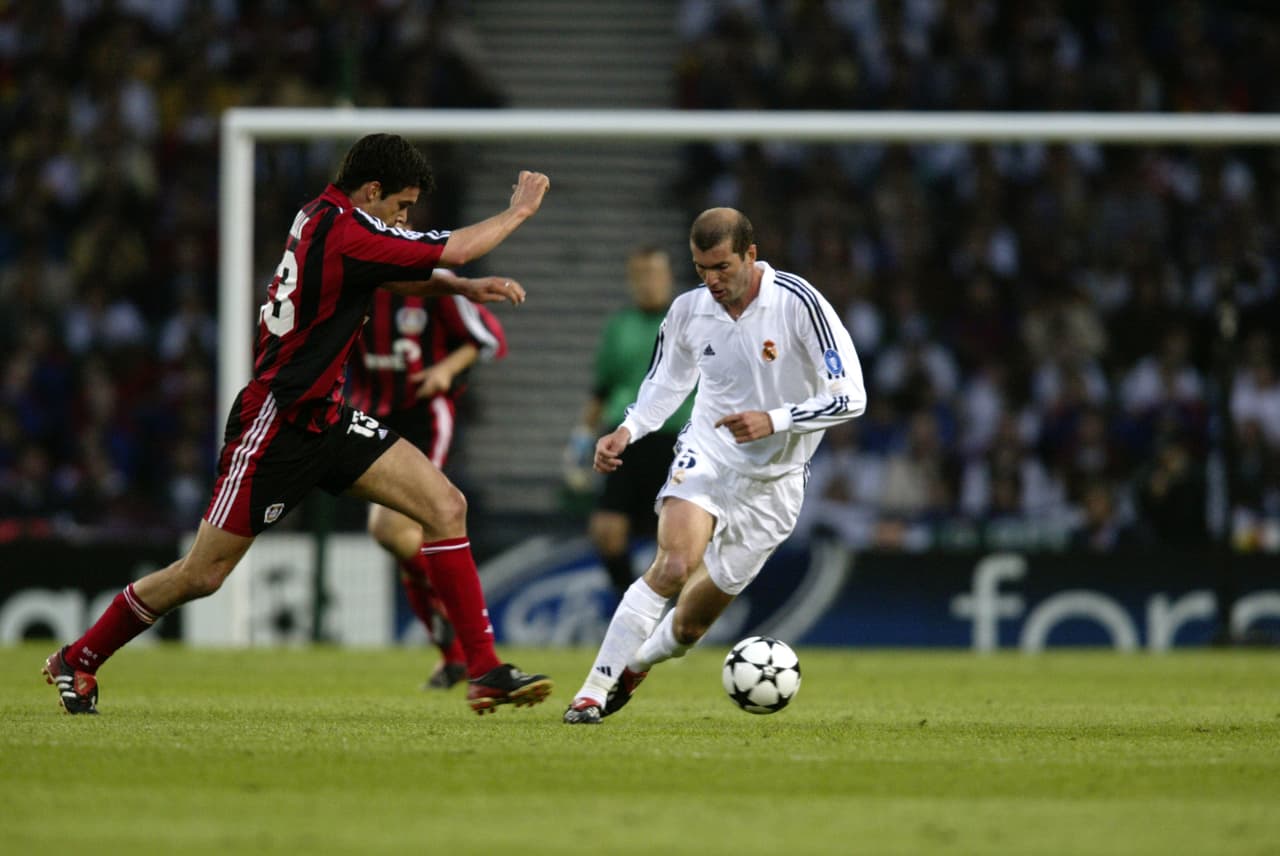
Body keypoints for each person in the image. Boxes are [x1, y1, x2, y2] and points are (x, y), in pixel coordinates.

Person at [43, 133, 553, 716]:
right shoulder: (348, 229)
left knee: (445, 505)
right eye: (401, 207)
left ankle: (484, 669)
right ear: (373, 190)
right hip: (275, 426)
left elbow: (389, 271)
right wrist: (518, 212)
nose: (404, 219)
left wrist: (456, 288)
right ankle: (78, 658)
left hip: (328, 419)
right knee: (201, 575)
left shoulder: (323, 215)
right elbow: (455, 247)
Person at [563, 207, 867, 725]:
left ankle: (636, 665)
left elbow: (852, 398)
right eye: (701, 268)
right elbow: (666, 383)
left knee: (688, 628)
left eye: (722, 267)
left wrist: (774, 420)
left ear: (751, 255)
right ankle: (592, 691)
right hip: (709, 451)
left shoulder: (800, 304)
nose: (712, 280)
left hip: (776, 482)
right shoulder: (688, 310)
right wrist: (628, 430)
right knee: (674, 564)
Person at [348, 264, 509, 691]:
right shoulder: (352, 280)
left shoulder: (433, 282)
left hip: (424, 416)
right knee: (402, 541)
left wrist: (444, 371)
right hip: (370, 417)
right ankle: (455, 653)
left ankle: (464, 636)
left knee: (391, 528)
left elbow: (488, 338)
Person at [567, 246, 694, 597]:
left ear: (668, 278)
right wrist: (581, 437)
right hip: (626, 437)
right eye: (640, 276)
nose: (648, 283)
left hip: (676, 438)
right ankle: (632, 607)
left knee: (679, 538)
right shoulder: (618, 327)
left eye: (654, 274)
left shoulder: (689, 322)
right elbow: (602, 389)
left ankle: (677, 615)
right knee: (606, 531)